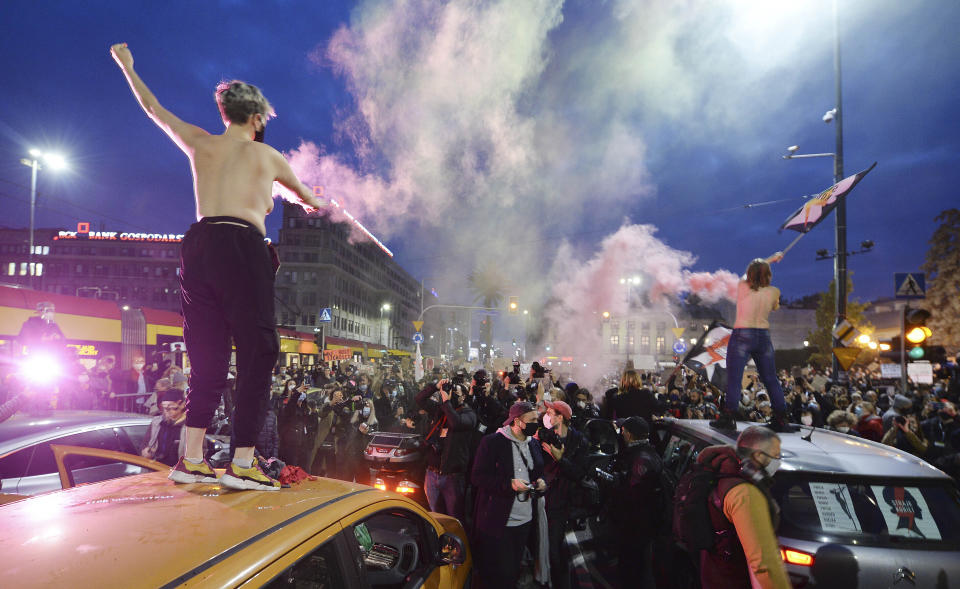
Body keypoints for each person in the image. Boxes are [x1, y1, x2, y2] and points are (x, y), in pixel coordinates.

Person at [111, 43, 323, 490]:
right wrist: (318, 198)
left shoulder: (201, 142)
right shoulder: (269, 157)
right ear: (258, 118)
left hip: (199, 244)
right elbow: (311, 200)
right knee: (258, 354)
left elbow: (153, 109)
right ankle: (243, 462)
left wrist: (128, 66)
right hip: (243, 246)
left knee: (206, 359)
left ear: (225, 112)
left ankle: (191, 458)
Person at [697, 426, 791, 589]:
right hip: (734, 580)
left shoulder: (721, 472)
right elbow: (763, 563)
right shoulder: (745, 492)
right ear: (758, 455)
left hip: (714, 573)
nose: (778, 460)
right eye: (776, 455)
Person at [711, 254, 796, 433]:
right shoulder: (774, 292)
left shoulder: (743, 287)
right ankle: (780, 418)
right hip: (763, 336)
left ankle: (729, 417)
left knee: (734, 377)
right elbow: (775, 307)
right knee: (771, 378)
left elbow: (744, 277)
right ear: (768, 275)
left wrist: (771, 258)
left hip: (742, 333)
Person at [471, 402, 548, 588]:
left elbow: (538, 471)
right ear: (517, 421)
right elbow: (477, 477)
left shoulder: (534, 444)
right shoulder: (492, 443)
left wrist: (542, 482)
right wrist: (509, 484)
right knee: (500, 573)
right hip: (500, 521)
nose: (536, 424)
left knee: (514, 568)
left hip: (526, 519)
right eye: (532, 420)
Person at [540, 400, 590, 589]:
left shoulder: (580, 442)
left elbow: (579, 474)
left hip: (561, 502)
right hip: (542, 498)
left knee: (554, 549)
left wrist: (561, 459)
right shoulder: (545, 436)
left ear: (560, 417)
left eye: (551, 412)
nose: (547, 416)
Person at [415, 378, 477, 521]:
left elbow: (455, 422)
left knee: (454, 517)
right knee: (435, 516)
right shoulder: (440, 409)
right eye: (450, 392)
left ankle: (455, 543)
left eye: (455, 393)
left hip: (452, 477)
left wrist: (446, 402)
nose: (450, 395)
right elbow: (419, 399)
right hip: (432, 473)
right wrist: (435, 387)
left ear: (463, 397)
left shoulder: (469, 415)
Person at [141, 389, 189, 466]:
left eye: (174, 408)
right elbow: (145, 444)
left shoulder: (191, 427)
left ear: (182, 405)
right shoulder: (157, 422)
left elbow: (199, 454)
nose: (168, 413)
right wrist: (146, 451)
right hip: (157, 470)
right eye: (164, 409)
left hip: (178, 473)